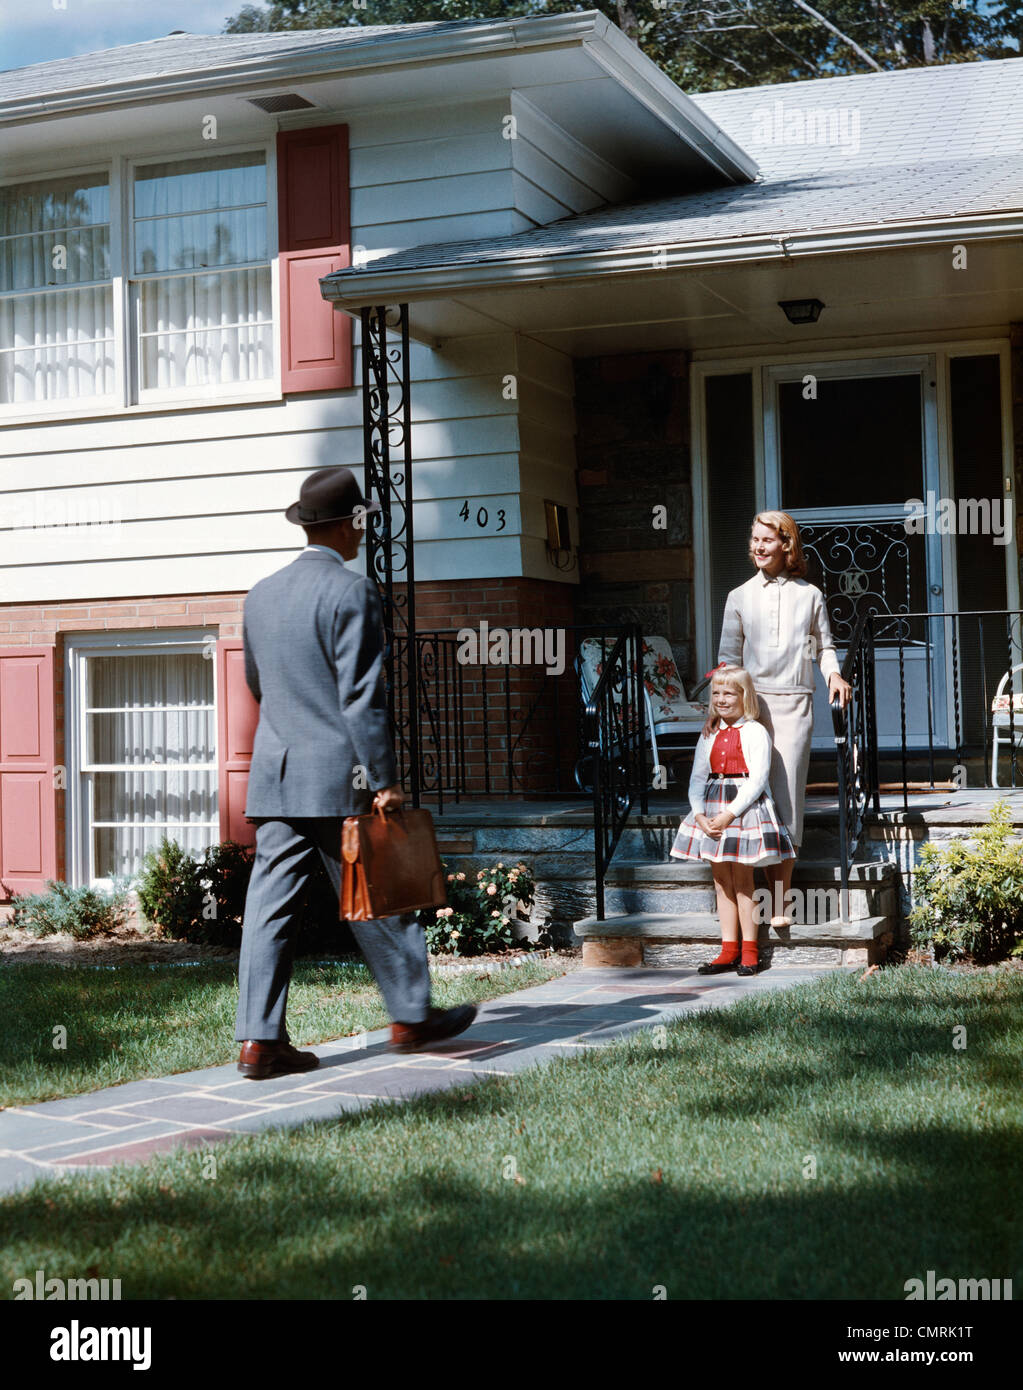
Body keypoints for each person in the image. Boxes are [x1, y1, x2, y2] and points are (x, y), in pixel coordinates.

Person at [235, 465, 475, 1079]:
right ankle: (412, 1017)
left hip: (275, 773)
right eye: (362, 522)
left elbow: (258, 686)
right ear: (346, 525)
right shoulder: (352, 591)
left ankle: (259, 1043)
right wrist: (385, 777)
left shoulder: (260, 593)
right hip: (338, 774)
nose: (365, 533)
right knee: (381, 890)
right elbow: (362, 697)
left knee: (269, 910)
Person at [717, 511, 851, 927]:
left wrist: (833, 673)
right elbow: (727, 660)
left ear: (786, 545)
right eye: (754, 539)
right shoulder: (738, 596)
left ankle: (780, 901)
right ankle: (745, 902)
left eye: (767, 540)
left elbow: (824, 646)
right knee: (750, 798)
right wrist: (724, 712)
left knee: (787, 797)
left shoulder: (809, 595)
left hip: (794, 703)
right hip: (751, 709)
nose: (758, 547)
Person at [671, 665, 795, 976]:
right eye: (716, 693)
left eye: (729, 693)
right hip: (712, 807)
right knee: (720, 882)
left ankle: (750, 952)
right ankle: (728, 949)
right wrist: (699, 814)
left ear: (744, 696)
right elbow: (698, 777)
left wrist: (729, 815)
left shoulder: (755, 731)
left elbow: (757, 780)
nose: (722, 699)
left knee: (743, 882)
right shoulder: (709, 732)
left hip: (743, 810)